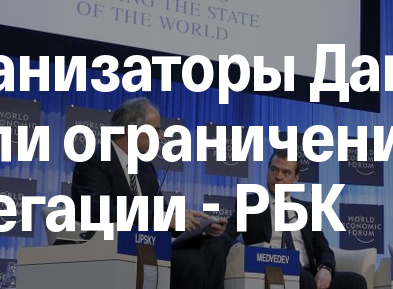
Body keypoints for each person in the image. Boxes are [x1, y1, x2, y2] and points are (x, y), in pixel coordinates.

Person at [70, 97, 231, 289]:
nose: (161, 137)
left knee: (214, 246)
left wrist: (196, 225)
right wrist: (164, 219)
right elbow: (96, 212)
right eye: (156, 130)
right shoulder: (94, 159)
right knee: (191, 263)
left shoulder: (145, 168)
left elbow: (162, 213)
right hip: (113, 250)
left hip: (150, 248)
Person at [229, 149, 367, 289]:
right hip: (275, 272)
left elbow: (323, 248)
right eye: (274, 169)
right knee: (304, 279)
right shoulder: (249, 204)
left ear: (296, 178)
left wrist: (325, 268)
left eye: (286, 172)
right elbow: (227, 234)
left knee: (355, 281)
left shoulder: (307, 210)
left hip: (310, 273)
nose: (278, 177)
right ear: (267, 172)